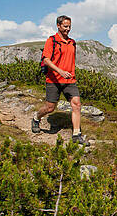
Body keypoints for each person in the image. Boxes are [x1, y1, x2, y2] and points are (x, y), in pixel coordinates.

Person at [31, 15, 88, 145]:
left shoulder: (72, 42)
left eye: (69, 27)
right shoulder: (52, 41)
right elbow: (45, 59)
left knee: (76, 105)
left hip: (70, 80)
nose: (68, 29)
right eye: (65, 26)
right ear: (58, 25)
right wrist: (60, 71)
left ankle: (76, 134)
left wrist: (70, 73)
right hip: (53, 79)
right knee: (50, 108)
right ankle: (36, 118)